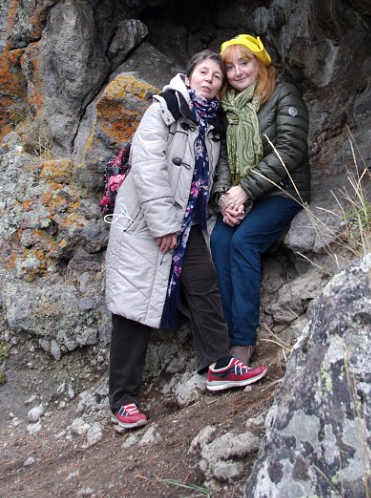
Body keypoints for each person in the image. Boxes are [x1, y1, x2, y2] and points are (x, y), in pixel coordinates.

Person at [105, 50, 267, 430]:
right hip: (147, 223)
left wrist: (219, 205)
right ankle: (122, 400)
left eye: (216, 76)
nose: (210, 79)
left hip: (187, 226)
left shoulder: (212, 125)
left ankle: (219, 365)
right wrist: (163, 224)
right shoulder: (164, 109)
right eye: (203, 72)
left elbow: (202, 180)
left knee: (203, 283)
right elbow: (146, 164)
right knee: (135, 304)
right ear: (188, 76)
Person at [210, 35, 311, 366]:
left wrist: (246, 190)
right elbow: (224, 155)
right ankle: (223, 334)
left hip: (283, 190)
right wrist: (225, 197)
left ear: (259, 62)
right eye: (230, 67)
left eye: (245, 62)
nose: (238, 72)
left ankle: (243, 340)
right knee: (220, 240)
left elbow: (290, 149)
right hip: (244, 194)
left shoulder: (282, 92)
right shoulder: (229, 105)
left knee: (243, 242)